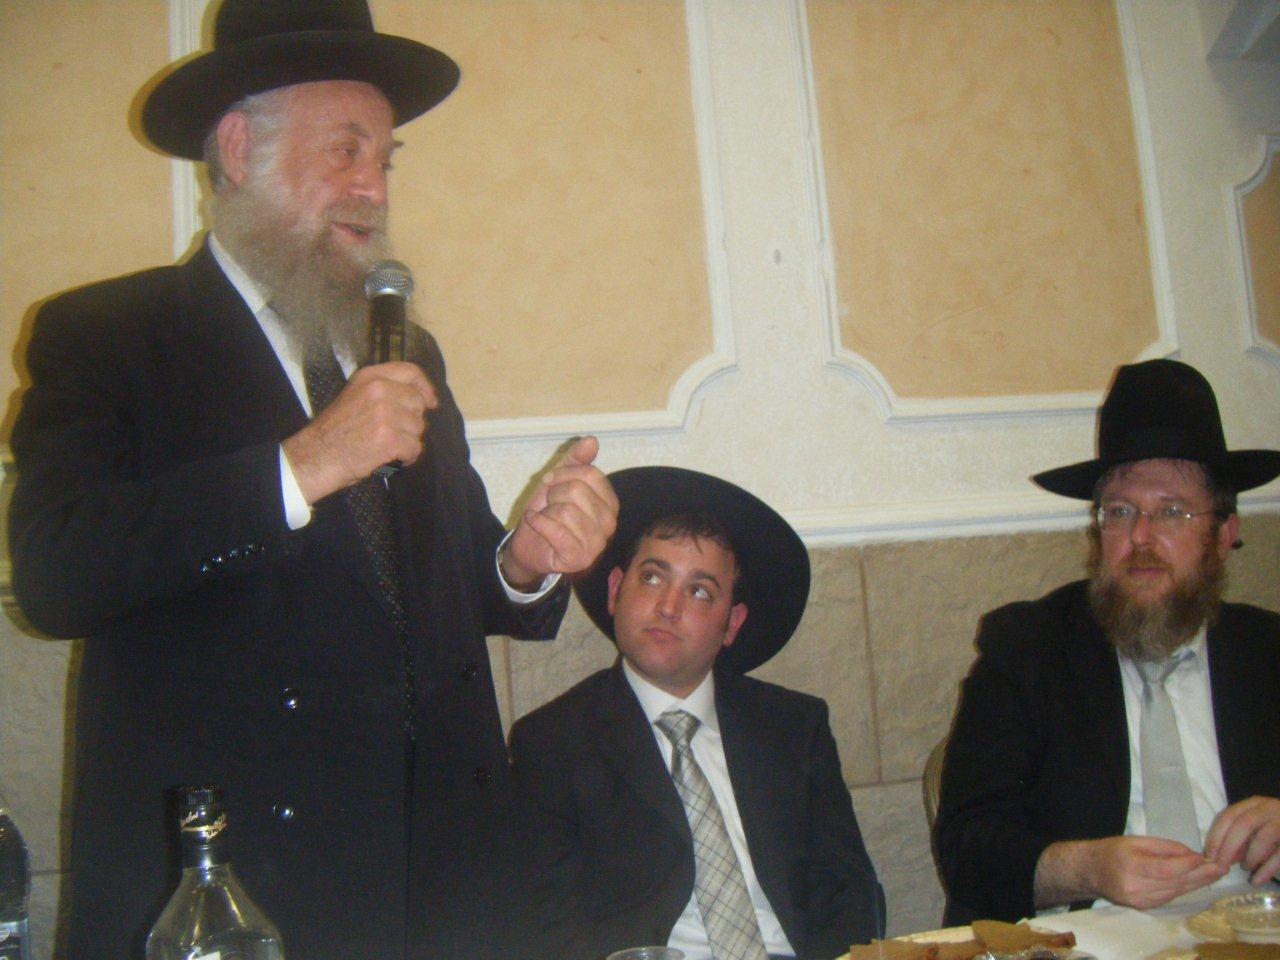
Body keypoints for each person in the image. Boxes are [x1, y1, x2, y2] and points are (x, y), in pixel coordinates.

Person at [6, 2, 617, 958]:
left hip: (441, 880)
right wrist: (302, 466)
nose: (374, 188)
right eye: (345, 151)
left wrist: (525, 561)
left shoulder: (404, 348)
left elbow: (450, 579)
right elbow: (56, 575)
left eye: (386, 159)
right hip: (241, 886)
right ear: (239, 149)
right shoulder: (108, 335)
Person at [934, 359, 1280, 925]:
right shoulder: (1027, 649)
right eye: (1120, 512)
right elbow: (968, 847)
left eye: (1171, 512)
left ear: (1223, 535)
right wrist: (1087, 869)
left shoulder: (1269, 652)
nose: (1141, 537)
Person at [509, 466, 884, 960]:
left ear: (732, 624)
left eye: (700, 591)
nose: (668, 606)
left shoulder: (794, 727)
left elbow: (851, 892)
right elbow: (550, 926)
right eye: (652, 577)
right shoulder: (552, 743)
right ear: (615, 590)